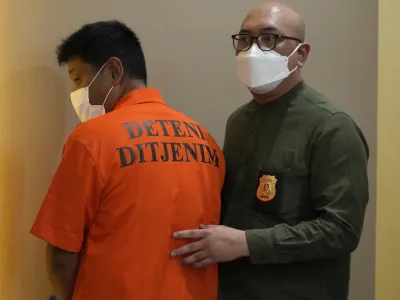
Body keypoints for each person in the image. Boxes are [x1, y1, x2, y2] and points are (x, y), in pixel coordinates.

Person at [171, 2, 369, 300]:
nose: (253, 50)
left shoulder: (332, 127)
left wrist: (247, 243)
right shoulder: (238, 121)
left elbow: (341, 229)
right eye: (245, 39)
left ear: (301, 54)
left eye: (269, 39)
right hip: (233, 288)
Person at [30, 20, 225, 300]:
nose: (75, 94)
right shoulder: (205, 140)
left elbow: (61, 253)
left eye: (77, 79)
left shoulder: (91, 139)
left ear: (113, 71)